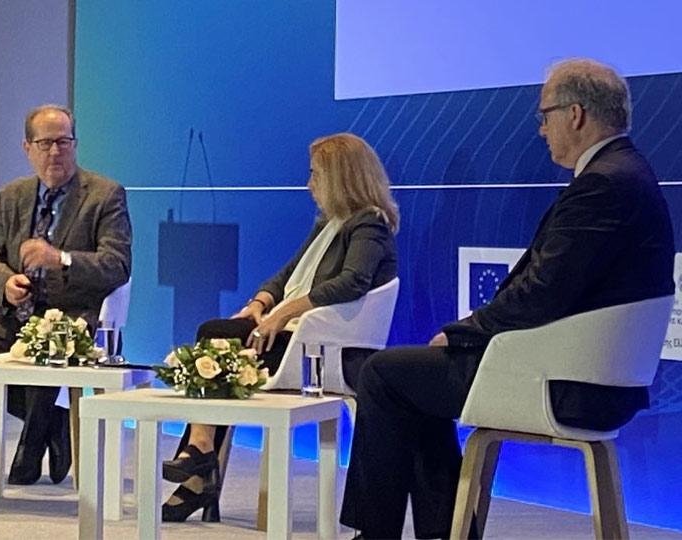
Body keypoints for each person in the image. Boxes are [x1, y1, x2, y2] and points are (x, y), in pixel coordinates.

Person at [340, 59, 675, 539]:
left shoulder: (603, 183)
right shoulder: (627, 172)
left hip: (565, 383)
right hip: (588, 376)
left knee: (383, 374)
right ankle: (445, 532)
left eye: (545, 115)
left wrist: (462, 334)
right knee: (413, 381)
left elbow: (541, 294)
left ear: (575, 114)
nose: (541, 129)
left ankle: (376, 535)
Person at [161, 132, 400, 522]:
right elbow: (286, 275)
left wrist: (285, 312)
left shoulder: (369, 224)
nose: (309, 185)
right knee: (217, 334)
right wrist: (259, 303)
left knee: (217, 339)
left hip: (324, 349)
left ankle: (199, 468)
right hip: (296, 336)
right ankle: (200, 455)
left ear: (340, 178)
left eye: (316, 175)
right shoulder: (329, 225)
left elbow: (352, 282)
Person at [0, 104, 132, 485]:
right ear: (27, 147)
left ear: (75, 144)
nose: (55, 152)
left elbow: (117, 265)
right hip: (19, 315)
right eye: (45, 143)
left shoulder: (104, 195)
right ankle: (56, 422)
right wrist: (6, 284)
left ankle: (29, 452)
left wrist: (61, 259)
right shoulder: (10, 197)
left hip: (73, 319)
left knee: (49, 354)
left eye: (64, 142)